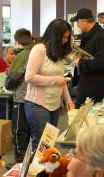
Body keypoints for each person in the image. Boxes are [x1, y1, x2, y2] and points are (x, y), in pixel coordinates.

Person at [24, 19, 75, 151]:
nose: (65, 40)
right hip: (37, 105)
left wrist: (69, 101)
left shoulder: (57, 51)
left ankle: (45, 171)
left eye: (67, 37)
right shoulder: (39, 49)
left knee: (49, 144)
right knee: (41, 145)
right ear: (55, 35)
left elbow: (62, 81)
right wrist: (56, 80)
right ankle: (35, 172)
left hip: (54, 105)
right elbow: (29, 77)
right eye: (63, 37)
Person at [70, 8, 104, 108]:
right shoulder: (91, 35)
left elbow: (102, 63)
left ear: (84, 21)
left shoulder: (100, 37)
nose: (77, 25)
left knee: (89, 120)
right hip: (89, 85)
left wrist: (80, 63)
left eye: (78, 22)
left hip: (96, 89)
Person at [5, 28, 32, 170]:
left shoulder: (22, 55)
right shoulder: (35, 52)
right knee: (29, 131)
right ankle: (27, 162)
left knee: (18, 131)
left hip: (21, 97)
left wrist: (8, 81)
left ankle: (20, 164)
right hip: (33, 98)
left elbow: (12, 79)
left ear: (16, 41)